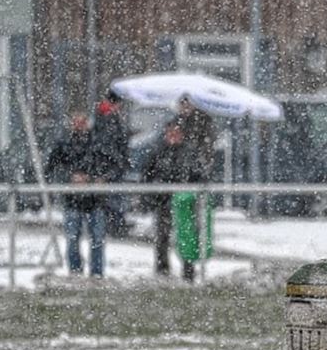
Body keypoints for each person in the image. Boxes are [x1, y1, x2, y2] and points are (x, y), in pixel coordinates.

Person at [142, 98, 216, 279]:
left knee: (186, 236)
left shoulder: (190, 152)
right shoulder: (158, 152)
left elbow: (200, 175)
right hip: (164, 201)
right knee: (162, 237)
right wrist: (154, 192)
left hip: (185, 202)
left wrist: (191, 189)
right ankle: (162, 269)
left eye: (176, 132)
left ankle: (188, 270)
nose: (173, 136)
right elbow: (147, 175)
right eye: (170, 132)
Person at [46, 111, 127, 278]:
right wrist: (70, 177)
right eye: (76, 121)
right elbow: (51, 169)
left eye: (82, 121)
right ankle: (75, 271)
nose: (79, 125)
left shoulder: (99, 144)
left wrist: (103, 179)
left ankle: (96, 273)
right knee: (72, 239)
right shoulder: (63, 145)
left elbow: (117, 165)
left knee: (97, 239)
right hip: (73, 200)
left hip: (95, 200)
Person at [90, 89, 132, 237]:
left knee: (111, 201)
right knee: (112, 201)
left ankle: (113, 226)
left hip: (111, 169)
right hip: (110, 170)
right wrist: (107, 172)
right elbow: (106, 148)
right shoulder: (109, 120)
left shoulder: (102, 117)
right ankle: (114, 227)